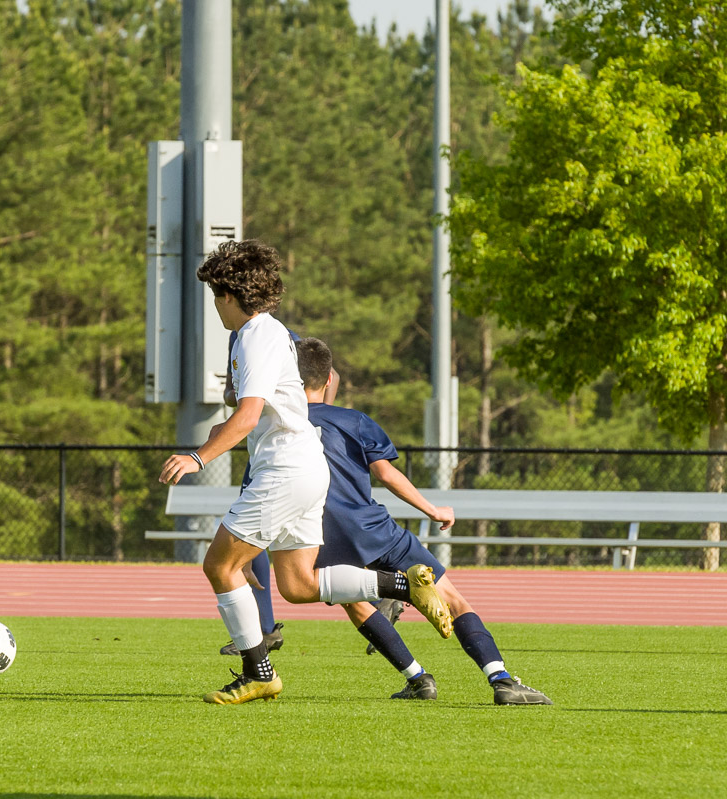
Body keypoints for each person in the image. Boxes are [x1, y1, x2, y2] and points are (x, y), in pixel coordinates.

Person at [159, 240, 452, 705]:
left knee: (218, 565)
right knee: (298, 585)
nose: (215, 307)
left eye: (216, 296)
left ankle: (260, 673)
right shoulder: (272, 332)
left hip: (283, 471)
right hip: (305, 468)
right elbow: (262, 413)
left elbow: (249, 417)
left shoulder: (254, 336)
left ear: (230, 296)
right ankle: (403, 583)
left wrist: (197, 457)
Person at [296, 337, 552, 705]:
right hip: (373, 528)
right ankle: (501, 679)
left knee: (355, 602)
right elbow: (385, 474)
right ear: (329, 379)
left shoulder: (277, 427)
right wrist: (432, 510)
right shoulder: (352, 420)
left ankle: (418, 678)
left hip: (320, 535)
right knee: (453, 598)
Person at [215, 329, 341, 657]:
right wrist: (236, 393)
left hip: (284, 455)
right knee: (296, 583)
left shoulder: (274, 334)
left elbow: (330, 376)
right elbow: (239, 393)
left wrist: (316, 416)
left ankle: (259, 651)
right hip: (268, 451)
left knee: (223, 562)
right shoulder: (240, 336)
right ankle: (392, 585)